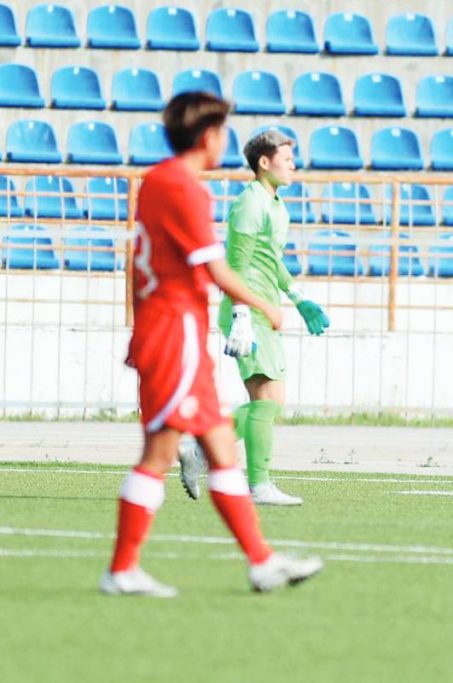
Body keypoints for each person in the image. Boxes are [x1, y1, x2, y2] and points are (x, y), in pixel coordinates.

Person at [101, 92, 323, 597]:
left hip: (173, 328)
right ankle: (122, 569)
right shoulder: (184, 188)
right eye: (221, 130)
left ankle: (261, 562)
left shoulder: (160, 181)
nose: (225, 139)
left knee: (221, 447)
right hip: (174, 331)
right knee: (159, 454)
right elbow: (215, 265)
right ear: (208, 136)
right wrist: (258, 306)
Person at [178, 131, 329, 506]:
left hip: (265, 309)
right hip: (248, 311)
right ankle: (258, 484)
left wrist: (298, 297)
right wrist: (242, 315)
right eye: (287, 157)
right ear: (265, 162)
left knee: (271, 401)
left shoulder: (276, 205)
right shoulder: (250, 203)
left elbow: (270, 258)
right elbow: (236, 263)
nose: (294, 164)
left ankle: (203, 447)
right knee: (265, 400)